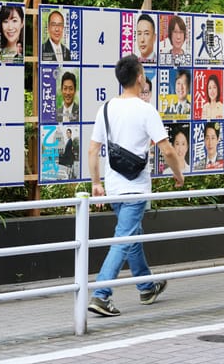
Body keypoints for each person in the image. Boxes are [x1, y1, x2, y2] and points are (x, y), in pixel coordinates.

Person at [87, 54, 184, 317]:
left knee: (132, 237)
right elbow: (168, 150)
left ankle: (146, 287)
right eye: (143, 73)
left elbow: (93, 150)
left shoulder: (106, 108)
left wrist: (96, 183)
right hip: (136, 188)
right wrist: (179, 175)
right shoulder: (146, 110)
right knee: (124, 239)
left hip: (115, 187)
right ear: (139, 77)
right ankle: (101, 294)